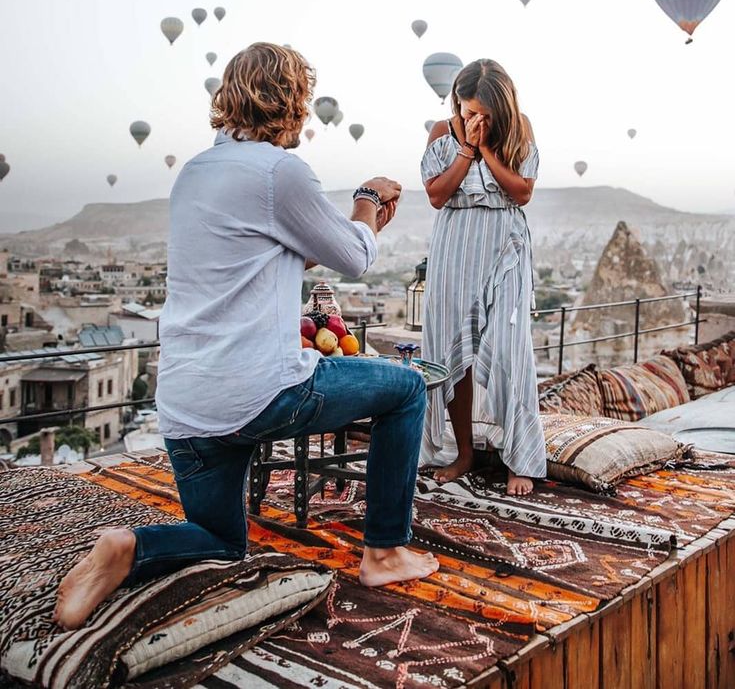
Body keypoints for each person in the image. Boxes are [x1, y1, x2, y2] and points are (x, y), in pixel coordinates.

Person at [54, 43, 438, 631]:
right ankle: (385, 551)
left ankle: (127, 547)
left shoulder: (194, 174)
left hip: (186, 403)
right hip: (260, 392)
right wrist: (365, 204)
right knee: (407, 388)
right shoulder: (279, 170)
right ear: (292, 101)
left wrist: (343, 229)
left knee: (219, 539)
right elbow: (357, 257)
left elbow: (261, 260)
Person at [420, 59, 546, 494]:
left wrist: (488, 148)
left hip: (505, 245)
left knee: (511, 346)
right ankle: (463, 452)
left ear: (500, 108)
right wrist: (466, 149)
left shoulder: (517, 129)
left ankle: (521, 456)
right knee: (454, 349)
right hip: (455, 244)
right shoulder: (442, 131)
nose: (472, 119)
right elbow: (437, 195)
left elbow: (522, 191)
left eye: (482, 114)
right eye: (466, 109)